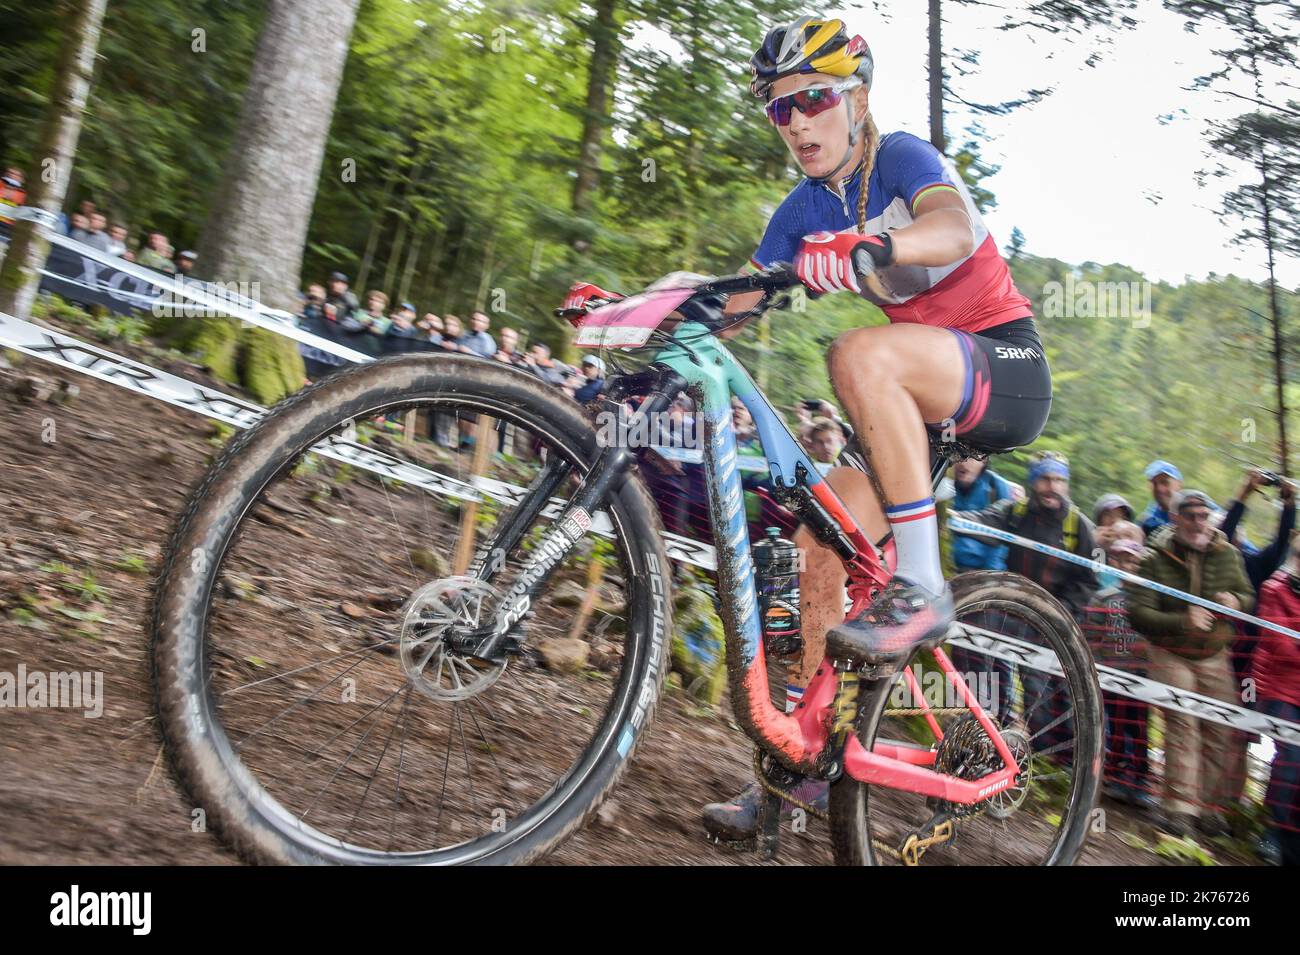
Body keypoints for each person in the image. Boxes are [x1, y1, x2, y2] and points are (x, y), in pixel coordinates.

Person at [565, 15, 1051, 841]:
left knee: (857, 353)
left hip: (1000, 366)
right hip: (915, 402)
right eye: (778, 109)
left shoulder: (900, 158)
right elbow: (733, 301)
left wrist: (872, 243)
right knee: (822, 547)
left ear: (856, 99)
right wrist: (633, 315)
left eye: (814, 100)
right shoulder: (800, 207)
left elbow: (953, 229)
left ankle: (923, 585)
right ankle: (804, 776)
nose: (796, 122)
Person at [1125, 489, 1254, 840]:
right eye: (1191, 516)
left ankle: (1210, 809)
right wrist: (1183, 620)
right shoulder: (1153, 557)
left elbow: (1248, 593)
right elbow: (1137, 612)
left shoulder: (1229, 554)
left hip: (1214, 653)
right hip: (1169, 650)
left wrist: (1236, 600)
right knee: (1183, 724)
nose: (1198, 523)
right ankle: (1179, 808)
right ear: (1176, 518)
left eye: (1204, 516)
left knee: (1220, 727)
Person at [1082, 537, 1157, 811]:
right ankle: (1111, 774)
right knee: (1111, 725)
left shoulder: (1151, 600)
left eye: (1133, 561)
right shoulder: (1103, 598)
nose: (1127, 565)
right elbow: (1091, 635)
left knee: (1138, 728)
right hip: (1111, 673)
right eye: (1122, 560)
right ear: (1113, 563)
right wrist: (1097, 665)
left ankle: (1139, 780)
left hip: (1140, 675)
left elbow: (1157, 636)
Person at [1253, 538, 1300, 866]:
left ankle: (1290, 840)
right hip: (1277, 689)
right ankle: (1272, 830)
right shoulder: (1274, 589)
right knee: (1292, 757)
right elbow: (1279, 644)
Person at [1139, 460, 1183, 538]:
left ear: (1179, 484)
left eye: (1165, 482)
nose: (1159, 489)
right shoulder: (1148, 521)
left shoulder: (1196, 509)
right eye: (1154, 484)